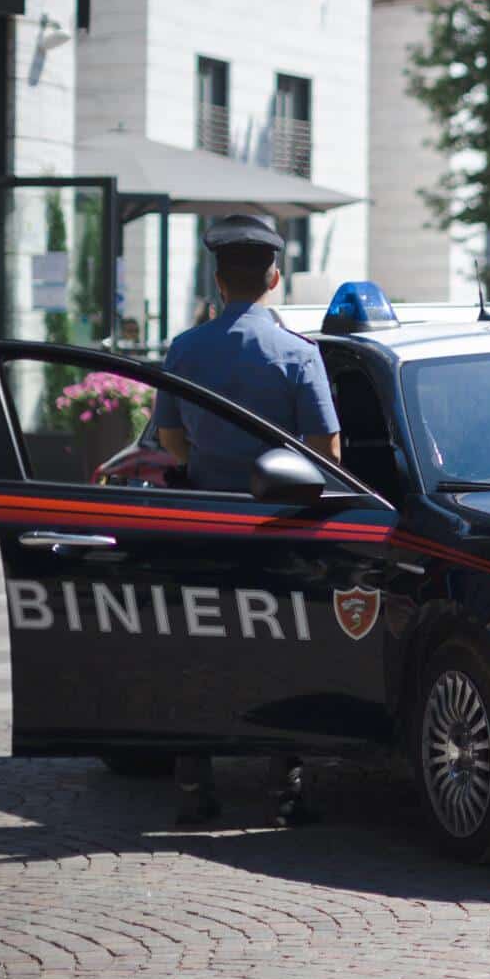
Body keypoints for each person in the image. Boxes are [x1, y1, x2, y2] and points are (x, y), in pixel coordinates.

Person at [152, 213, 342, 830]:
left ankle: (191, 786)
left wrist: (208, 464)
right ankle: (285, 790)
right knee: (284, 652)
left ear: (216, 280)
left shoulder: (185, 348)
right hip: (280, 528)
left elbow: (171, 439)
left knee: (201, 650)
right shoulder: (299, 353)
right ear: (275, 277)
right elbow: (327, 454)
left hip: (206, 521)